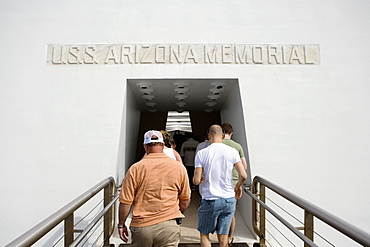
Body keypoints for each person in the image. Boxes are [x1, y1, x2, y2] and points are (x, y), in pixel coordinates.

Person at [118, 130, 191, 247]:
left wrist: (121, 224)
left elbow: (126, 202)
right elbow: (186, 199)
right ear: (163, 145)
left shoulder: (135, 168)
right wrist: (175, 213)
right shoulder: (178, 167)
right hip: (169, 227)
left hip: (142, 227)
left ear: (145, 146)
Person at [193, 125, 247, 247]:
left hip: (210, 199)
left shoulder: (202, 153)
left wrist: (200, 177)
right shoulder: (232, 151)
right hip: (228, 199)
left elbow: (196, 181)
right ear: (222, 136)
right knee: (223, 235)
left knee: (204, 234)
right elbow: (243, 175)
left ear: (209, 136)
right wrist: (238, 186)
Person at [221, 123, 248, 244]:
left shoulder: (216, 145)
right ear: (231, 134)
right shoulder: (237, 146)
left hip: (219, 182)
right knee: (230, 213)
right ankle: (229, 237)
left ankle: (220, 236)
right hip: (233, 182)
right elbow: (244, 166)